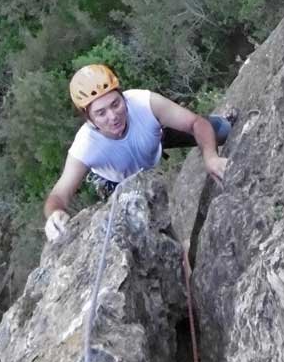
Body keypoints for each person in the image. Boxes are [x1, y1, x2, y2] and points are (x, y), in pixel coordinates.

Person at [44, 63, 237, 242]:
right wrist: (54, 213)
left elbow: (196, 123)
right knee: (156, 234)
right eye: (101, 113)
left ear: (123, 96)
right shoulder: (85, 145)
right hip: (118, 182)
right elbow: (60, 194)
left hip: (154, 138)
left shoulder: (143, 103)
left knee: (221, 129)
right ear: (88, 119)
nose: (113, 117)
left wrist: (211, 157)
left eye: (115, 104)